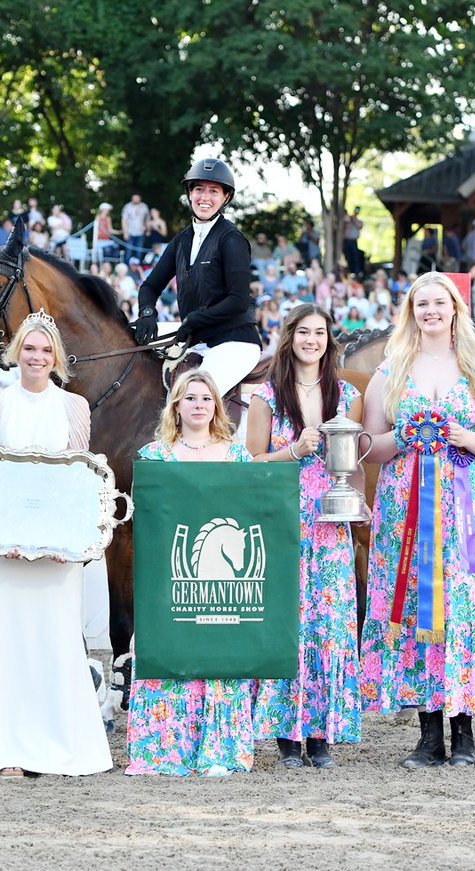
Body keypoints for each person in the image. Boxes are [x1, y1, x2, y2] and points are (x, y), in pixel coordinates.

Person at [359, 271, 475, 768]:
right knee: (415, 610)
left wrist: (461, 436)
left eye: (439, 302)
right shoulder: (390, 373)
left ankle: (464, 729)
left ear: (455, 309)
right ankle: (429, 732)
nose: (430, 310)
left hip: (464, 512)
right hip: (405, 514)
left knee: (462, 611)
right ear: (412, 311)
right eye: (421, 303)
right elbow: (369, 448)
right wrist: (407, 437)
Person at [0, 313, 112, 778]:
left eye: (45, 351)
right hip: (5, 555)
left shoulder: (75, 407)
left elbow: (80, 481)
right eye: (29, 349)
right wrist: (3, 538)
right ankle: (5, 751)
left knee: (56, 643)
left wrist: (70, 541)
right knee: (7, 644)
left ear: (56, 357)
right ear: (16, 353)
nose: (37, 358)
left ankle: (59, 747)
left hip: (60, 555)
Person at [247, 305, 363, 769]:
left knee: (330, 625)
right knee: (288, 622)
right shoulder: (266, 396)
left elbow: (351, 464)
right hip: (283, 519)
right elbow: (251, 460)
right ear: (289, 336)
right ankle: (285, 734)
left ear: (329, 339)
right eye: (303, 332)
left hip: (330, 523)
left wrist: (356, 505)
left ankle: (321, 733)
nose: (311, 340)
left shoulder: (347, 395)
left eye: (320, 333)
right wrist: (291, 452)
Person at [125, 370, 257, 776]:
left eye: (206, 398)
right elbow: (145, 523)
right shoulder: (154, 457)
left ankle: (221, 750)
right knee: (171, 650)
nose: (199, 405)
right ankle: (164, 750)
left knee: (220, 655)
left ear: (216, 406)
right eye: (190, 398)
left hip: (224, 586)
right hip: (169, 577)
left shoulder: (238, 457)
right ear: (176, 406)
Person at [131, 158, 262, 399]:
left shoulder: (231, 239)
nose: (205, 197)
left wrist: (195, 320)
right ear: (190, 193)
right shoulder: (181, 240)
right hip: (199, 339)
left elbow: (238, 300)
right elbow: (150, 286)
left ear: (226, 198)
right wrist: (147, 313)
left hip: (234, 342)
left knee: (194, 397)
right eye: (199, 189)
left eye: (214, 191)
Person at [121, 194, 149, 262]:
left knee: (139, 252)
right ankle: (126, 270)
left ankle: (138, 270)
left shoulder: (144, 206)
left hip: (140, 233)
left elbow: (148, 217)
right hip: (130, 232)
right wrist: (125, 232)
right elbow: (124, 220)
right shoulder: (127, 207)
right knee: (128, 252)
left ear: (140, 198)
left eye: (137, 198)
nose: (135, 199)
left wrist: (145, 226)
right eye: (134, 198)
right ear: (132, 199)